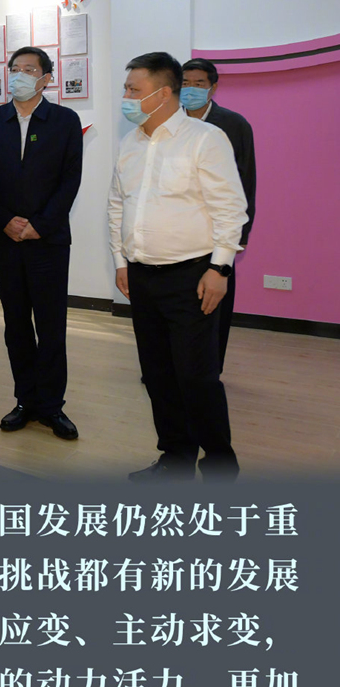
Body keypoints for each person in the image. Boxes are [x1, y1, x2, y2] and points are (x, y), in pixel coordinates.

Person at [108, 52, 247, 481]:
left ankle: (220, 464)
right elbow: (117, 205)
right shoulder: (130, 143)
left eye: (134, 89)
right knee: (157, 375)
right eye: (126, 88)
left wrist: (220, 269)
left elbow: (231, 209)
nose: (126, 96)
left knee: (197, 377)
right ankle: (175, 458)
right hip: (142, 276)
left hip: (192, 276)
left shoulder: (205, 139)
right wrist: (120, 261)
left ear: (163, 93)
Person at [0, 46, 83, 440]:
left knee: (52, 326)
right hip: (6, 241)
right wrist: (4, 220)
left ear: (46, 78)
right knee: (17, 325)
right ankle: (25, 400)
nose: (20, 75)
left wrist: (41, 224)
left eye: (29, 69)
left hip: (48, 240)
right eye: (15, 68)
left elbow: (70, 179)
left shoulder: (64, 120)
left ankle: (52, 405)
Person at [181, 58, 256, 372]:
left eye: (198, 84)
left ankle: (211, 369)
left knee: (214, 304)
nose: (191, 90)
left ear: (212, 87)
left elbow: (246, 181)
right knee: (178, 305)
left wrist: (241, 234)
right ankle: (171, 369)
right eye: (185, 83)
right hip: (179, 232)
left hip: (218, 231)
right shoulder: (169, 122)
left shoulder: (233, 124)